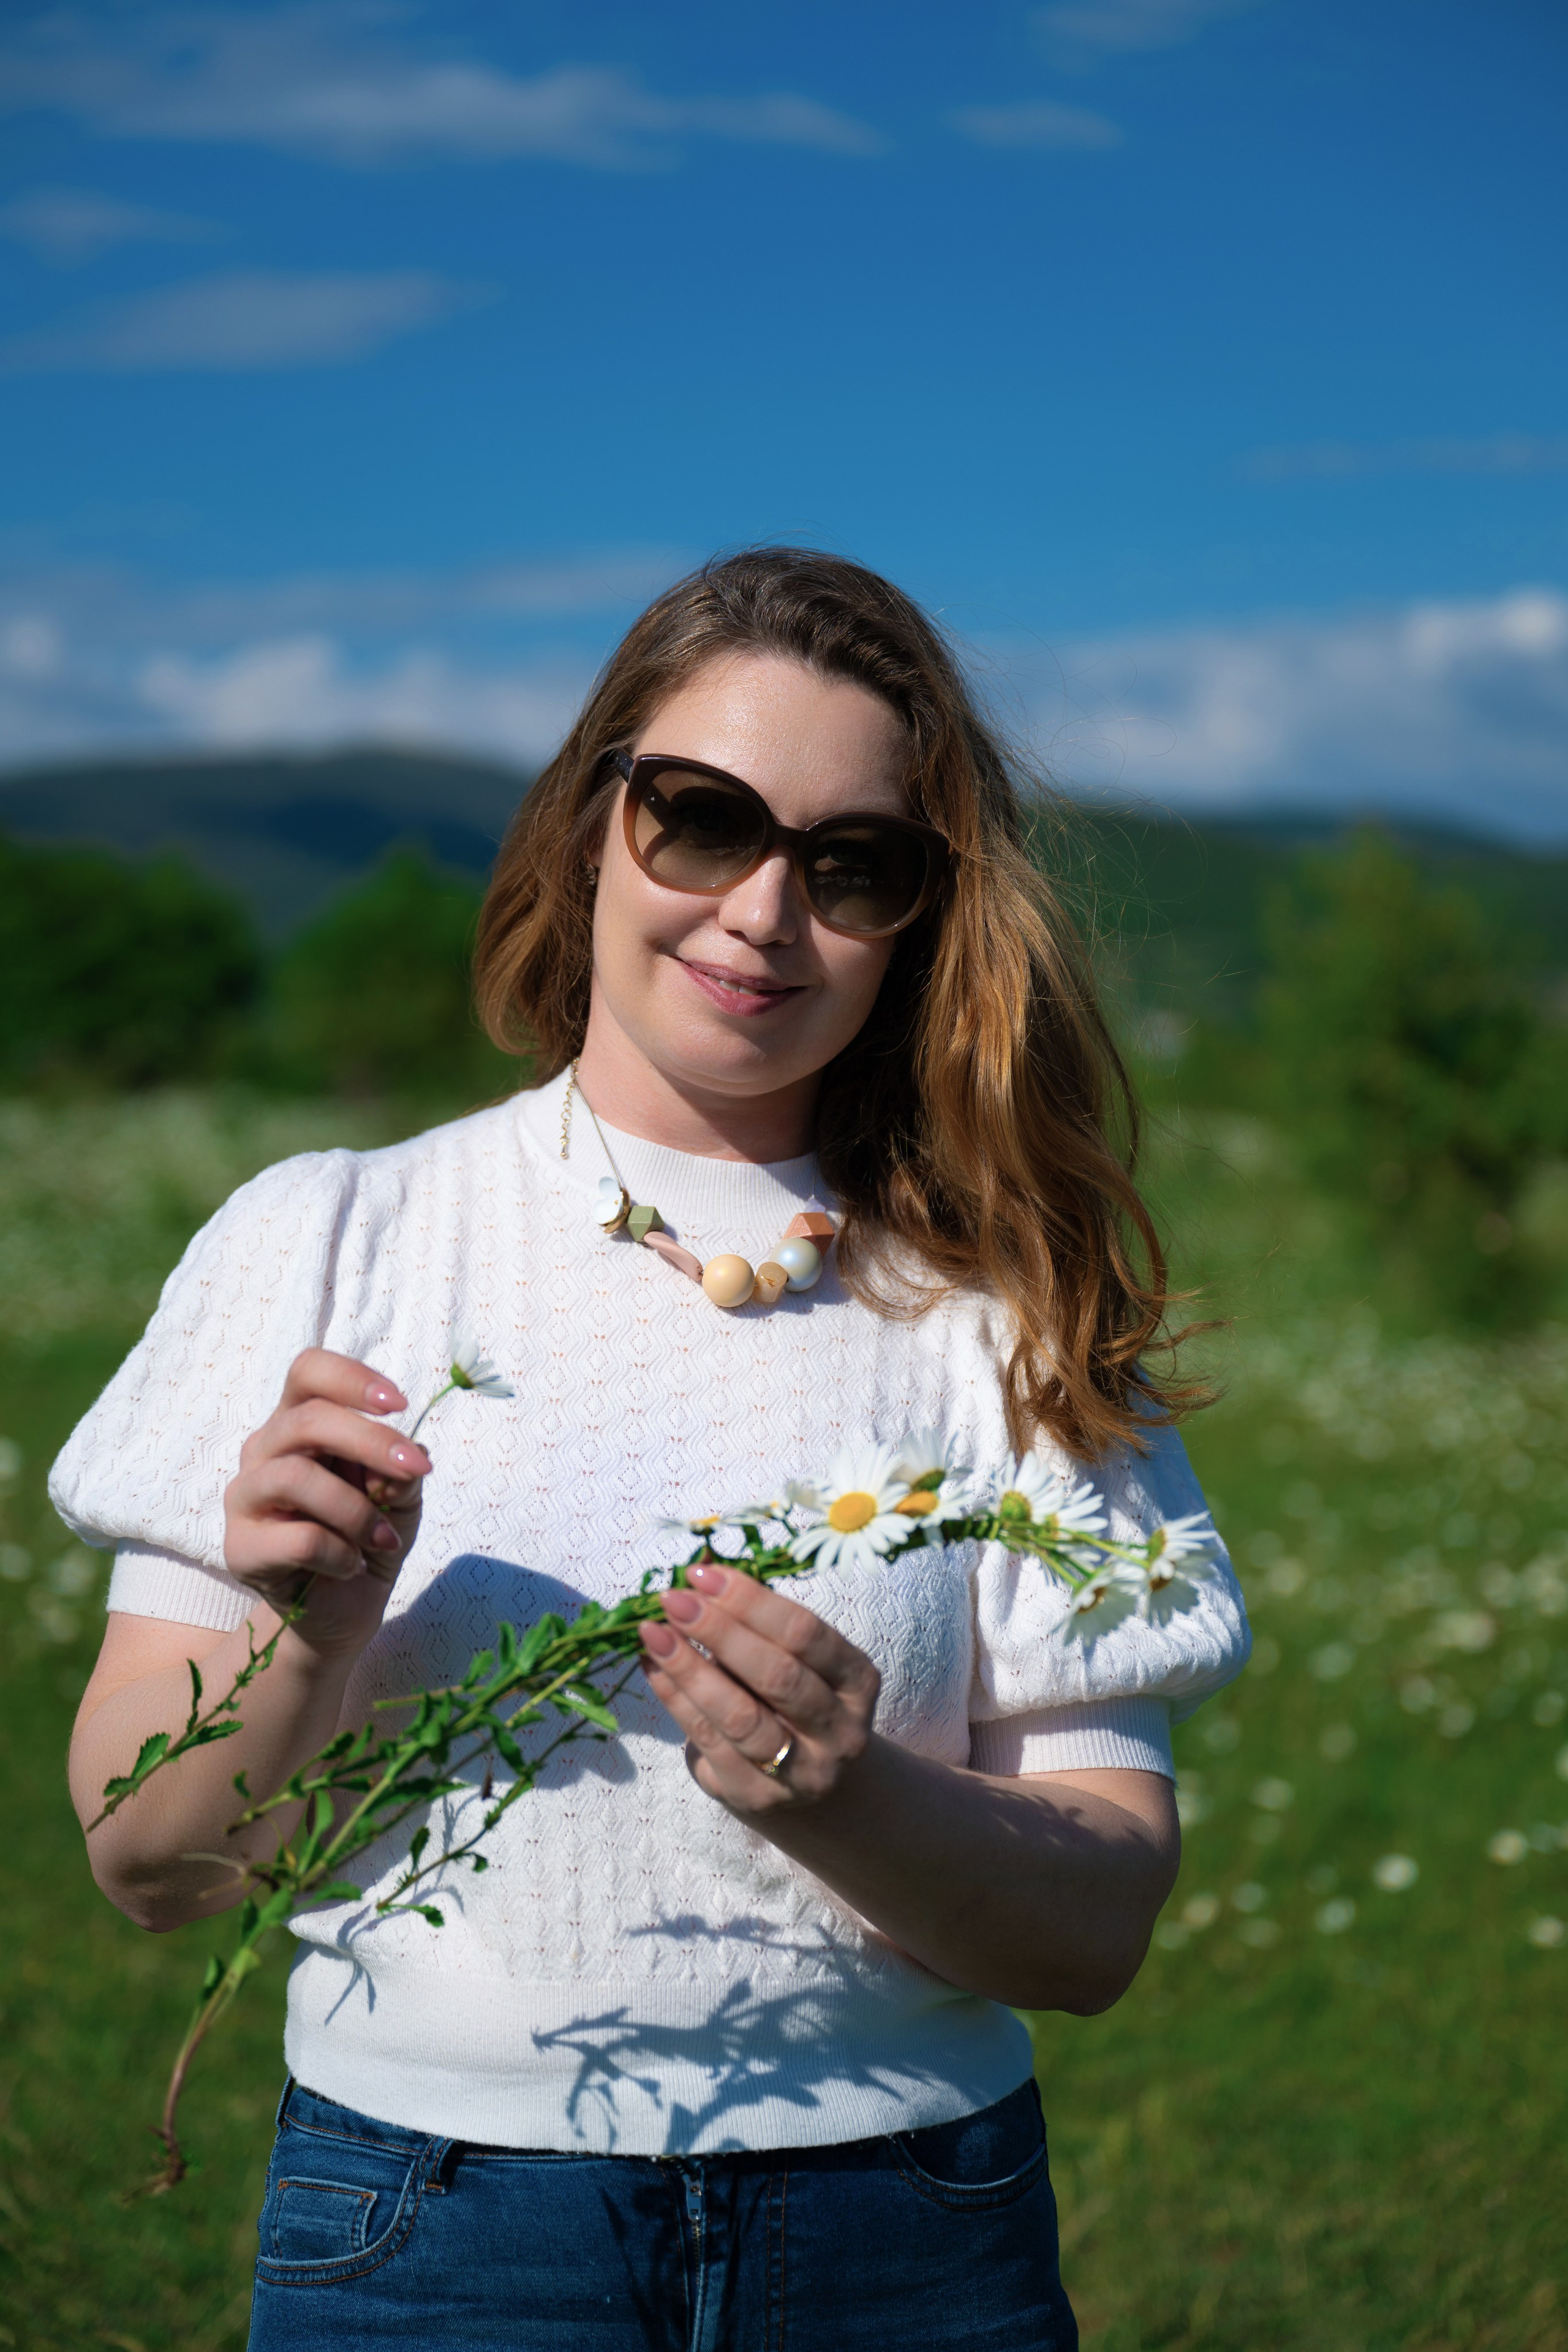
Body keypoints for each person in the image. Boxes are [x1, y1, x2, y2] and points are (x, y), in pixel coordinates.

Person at [56, 548, 1249, 2350]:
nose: (764, 910)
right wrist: (309, 1631)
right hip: (435, 2232)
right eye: (702, 819)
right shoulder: (333, 1242)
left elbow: (1090, 1934)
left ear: (925, 915)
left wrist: (860, 1793)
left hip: (908, 2240)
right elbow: (149, 1869)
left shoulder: (1014, 1313)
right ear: (592, 820)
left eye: (854, 865)